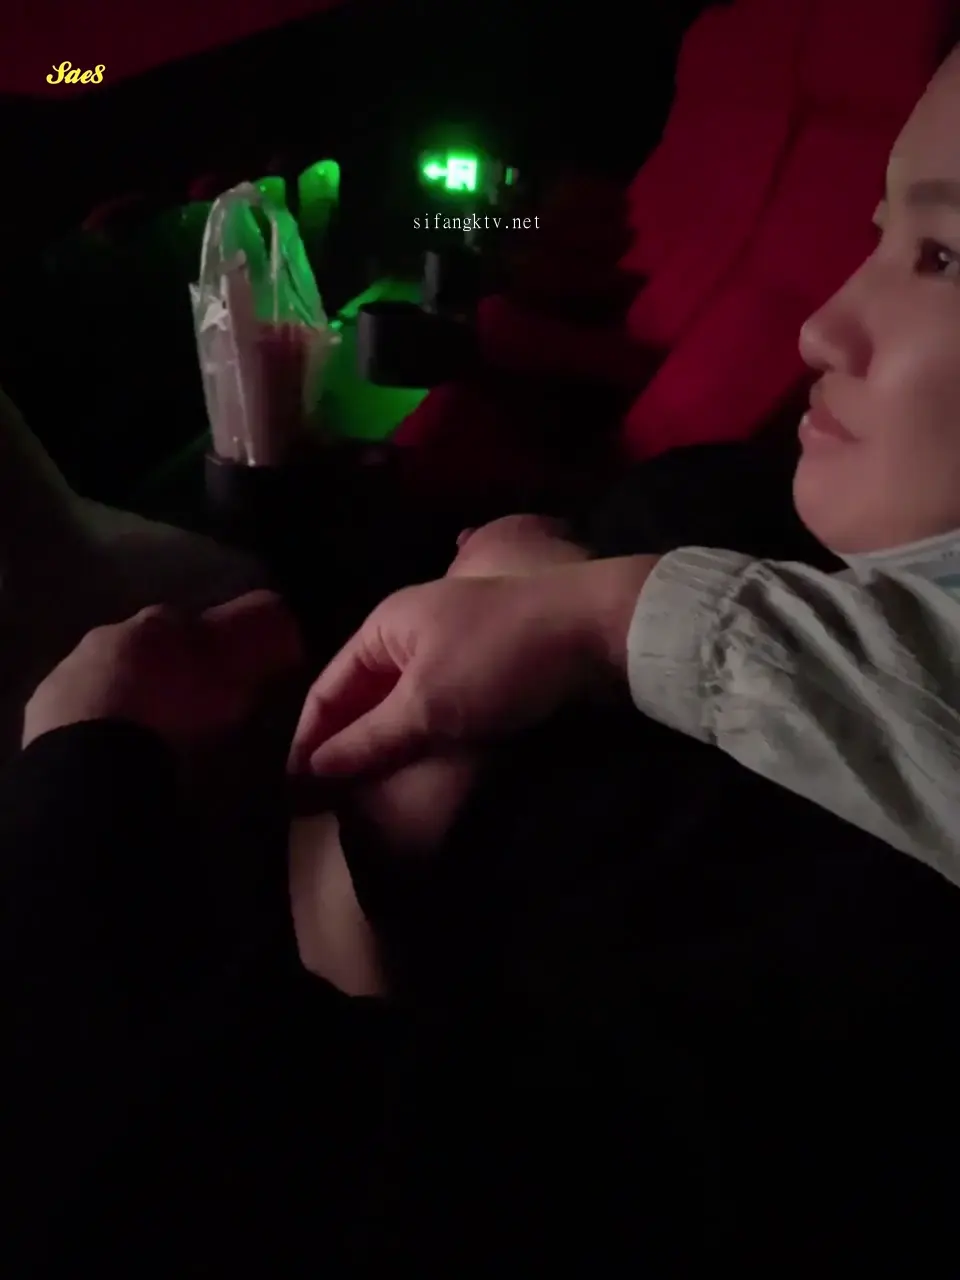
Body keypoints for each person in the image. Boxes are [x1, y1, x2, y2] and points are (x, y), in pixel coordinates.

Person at [291, 42, 960, 886]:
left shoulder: (817, 873)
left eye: (946, 258)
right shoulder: (744, 498)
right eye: (882, 236)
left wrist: (594, 610)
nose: (818, 330)